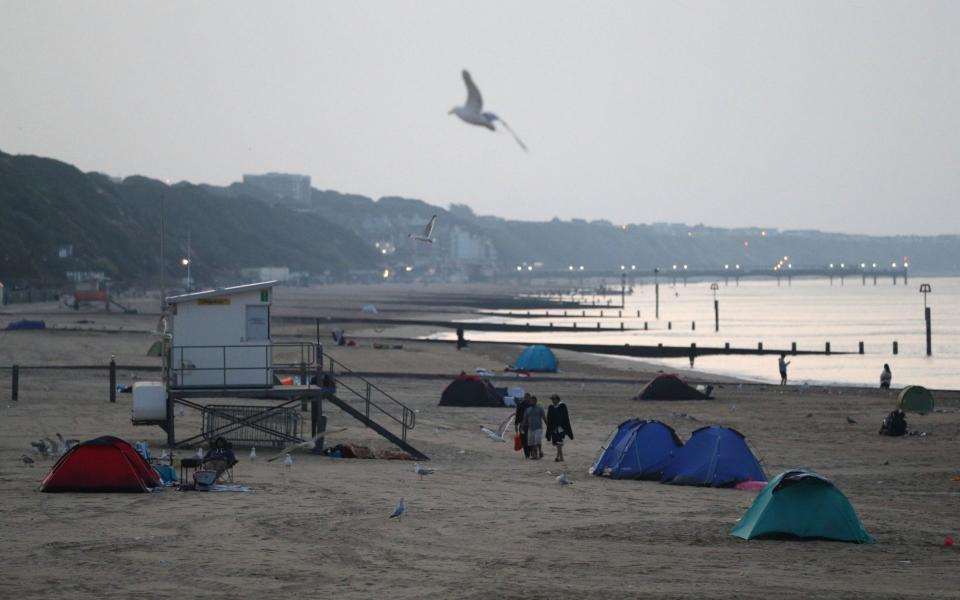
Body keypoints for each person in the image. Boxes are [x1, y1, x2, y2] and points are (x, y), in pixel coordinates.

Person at [545, 394, 573, 462]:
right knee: (557, 443)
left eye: (554, 399)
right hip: (554, 428)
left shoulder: (562, 406)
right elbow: (549, 418)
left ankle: (559, 457)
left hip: (561, 428)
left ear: (557, 399)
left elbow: (565, 417)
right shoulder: (551, 407)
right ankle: (560, 457)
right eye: (552, 399)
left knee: (559, 442)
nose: (553, 401)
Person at [521, 395, 547, 460]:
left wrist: (548, 426)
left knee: (537, 442)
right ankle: (535, 454)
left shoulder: (540, 408)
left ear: (536, 401)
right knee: (531, 443)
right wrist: (521, 427)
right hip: (530, 428)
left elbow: (544, 418)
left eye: (532, 401)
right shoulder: (528, 410)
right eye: (530, 401)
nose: (531, 402)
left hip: (538, 428)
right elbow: (524, 419)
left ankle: (539, 451)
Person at [515, 394, 531, 458]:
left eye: (528, 398)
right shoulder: (520, 405)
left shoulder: (532, 405)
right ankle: (527, 455)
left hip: (530, 425)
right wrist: (516, 425)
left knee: (529, 440)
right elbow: (517, 415)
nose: (526, 399)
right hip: (522, 426)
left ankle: (530, 452)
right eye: (525, 398)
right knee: (523, 440)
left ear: (530, 398)